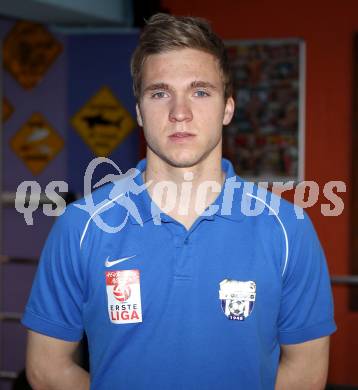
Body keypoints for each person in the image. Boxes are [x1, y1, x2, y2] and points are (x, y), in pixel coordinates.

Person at [22, 13, 336, 390]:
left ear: (228, 108)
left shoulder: (289, 229)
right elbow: (46, 369)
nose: (180, 112)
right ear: (139, 111)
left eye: (200, 91)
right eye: (160, 93)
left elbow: (306, 373)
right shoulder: (82, 225)